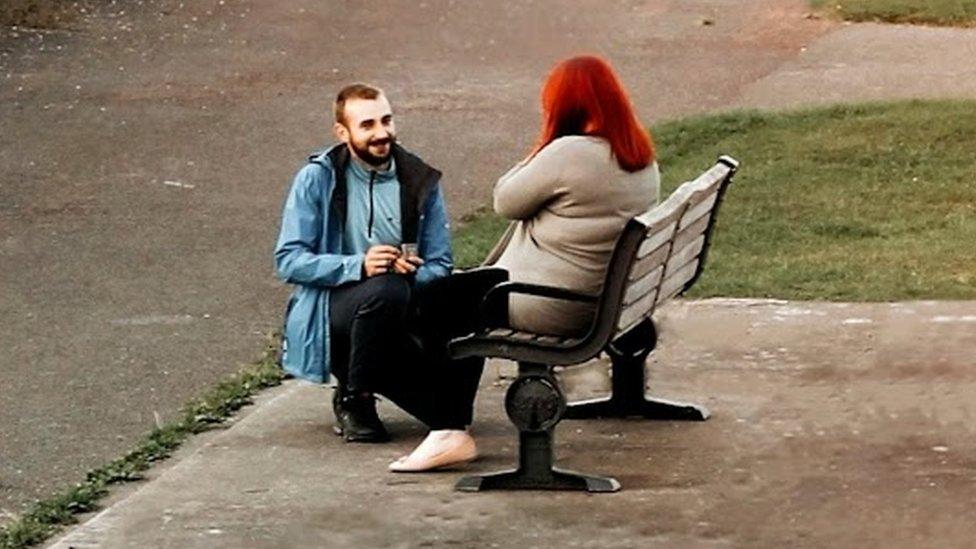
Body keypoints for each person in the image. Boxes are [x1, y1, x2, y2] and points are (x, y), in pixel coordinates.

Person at [274, 83, 494, 471]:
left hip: (400, 299)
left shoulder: (417, 178)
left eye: (387, 120)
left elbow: (440, 262)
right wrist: (358, 265)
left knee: (479, 289)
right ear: (343, 133)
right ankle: (356, 397)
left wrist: (414, 273)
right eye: (368, 125)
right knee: (385, 292)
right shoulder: (317, 179)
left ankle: (448, 418)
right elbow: (290, 260)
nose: (381, 133)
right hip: (335, 304)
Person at [491, 55, 660, 336]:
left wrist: (545, 147)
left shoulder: (568, 153)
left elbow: (505, 201)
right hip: (609, 302)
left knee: (439, 305)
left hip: (547, 305)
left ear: (564, 106)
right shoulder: (641, 157)